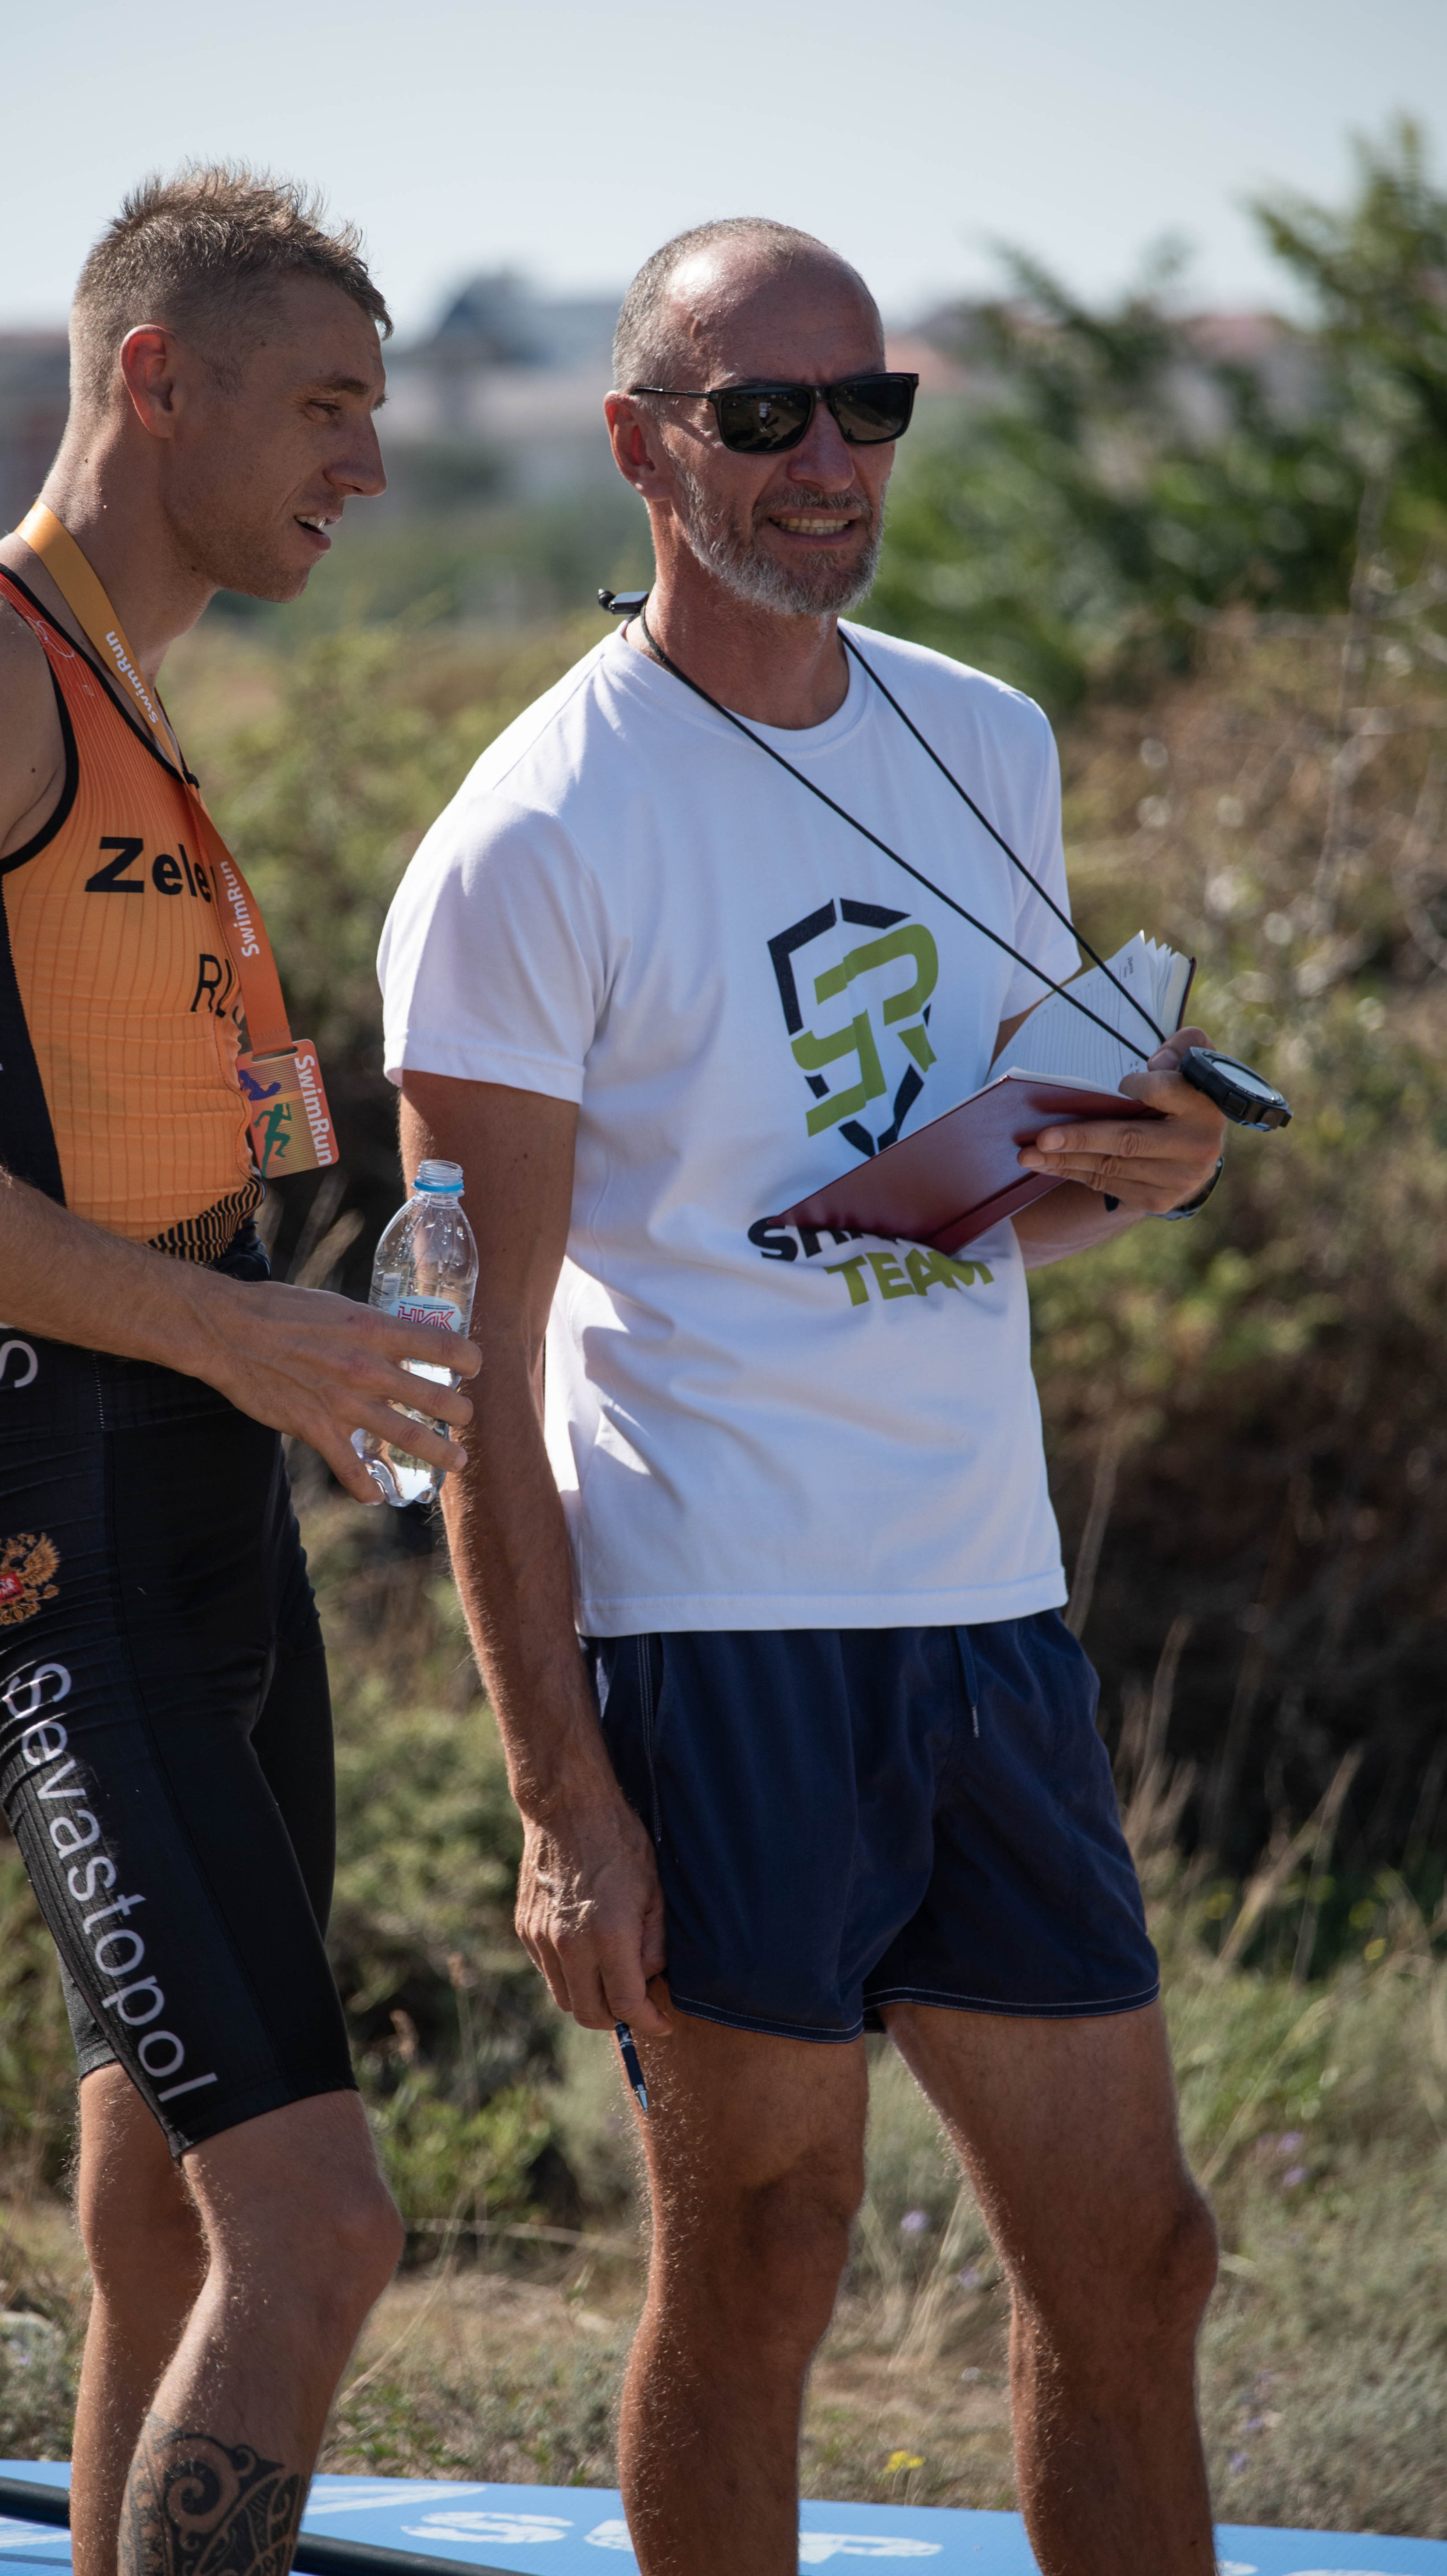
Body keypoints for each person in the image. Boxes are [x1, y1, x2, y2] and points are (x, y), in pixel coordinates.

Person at [377, 218, 1228, 2576]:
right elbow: (470, 1361)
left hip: (986, 1607)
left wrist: (1146, 1171)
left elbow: (979, 1201)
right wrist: (562, 1799)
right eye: (763, 414)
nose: (829, 458)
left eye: (871, 406)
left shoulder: (988, 738)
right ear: (641, 445)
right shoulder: (531, 834)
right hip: (711, 1630)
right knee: (763, 2263)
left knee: (1141, 2262)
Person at [0, 165, 478, 2576]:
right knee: (319, 2232)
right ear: (157, 380)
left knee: (165, 2212)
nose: (371, 460)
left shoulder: (119, 682)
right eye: (328, 405)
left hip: (199, 1500)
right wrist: (241, 1329)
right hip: (51, 1518)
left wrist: (285, 1327)